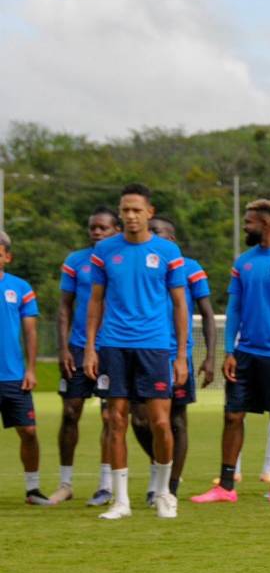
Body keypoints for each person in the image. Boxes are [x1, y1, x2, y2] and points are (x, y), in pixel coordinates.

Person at [190, 199, 270, 506]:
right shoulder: (243, 262)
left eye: (249, 222)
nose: (245, 227)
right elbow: (234, 309)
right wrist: (229, 351)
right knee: (232, 415)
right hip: (245, 354)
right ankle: (226, 486)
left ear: (267, 223)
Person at [82, 184, 190, 520]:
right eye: (125, 210)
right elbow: (95, 301)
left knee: (160, 422)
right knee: (115, 420)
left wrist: (181, 355)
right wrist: (90, 347)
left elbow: (180, 305)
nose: (130, 216)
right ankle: (121, 501)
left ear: (149, 213)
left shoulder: (168, 252)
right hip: (114, 345)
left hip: (154, 346)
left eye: (136, 210)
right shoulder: (104, 251)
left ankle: (164, 493)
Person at [128, 215, 216, 502]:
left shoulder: (189, 268)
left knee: (176, 421)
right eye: (150, 231)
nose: (152, 236)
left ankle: (170, 487)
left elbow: (207, 313)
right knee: (140, 420)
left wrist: (210, 356)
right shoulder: (138, 264)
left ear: (172, 239)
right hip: (142, 349)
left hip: (177, 354)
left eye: (158, 231)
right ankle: (160, 467)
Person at [47, 207, 119, 506]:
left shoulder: (121, 259)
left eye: (103, 227)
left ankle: (105, 485)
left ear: (115, 230)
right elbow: (65, 307)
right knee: (70, 412)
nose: (97, 232)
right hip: (78, 347)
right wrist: (63, 348)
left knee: (109, 415)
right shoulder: (75, 261)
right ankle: (65, 483)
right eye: (93, 227)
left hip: (112, 346)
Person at [0, 232, 48, 505]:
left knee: (28, 432)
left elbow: (30, 332)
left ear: (7, 257)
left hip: (13, 376)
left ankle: (33, 489)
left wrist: (30, 369)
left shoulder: (20, 288)